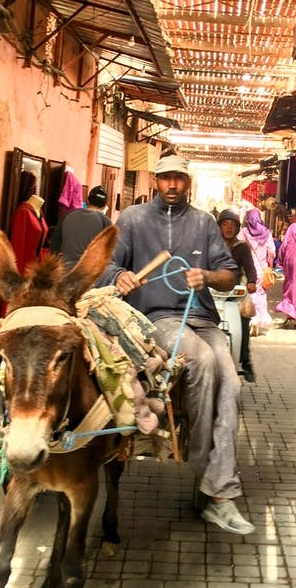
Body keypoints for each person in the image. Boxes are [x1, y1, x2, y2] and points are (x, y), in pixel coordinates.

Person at [98, 154, 255, 535]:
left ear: (188, 183)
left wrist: (208, 277)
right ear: (156, 180)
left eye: (179, 179)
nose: (172, 185)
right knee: (200, 359)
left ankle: (216, 487)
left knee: (231, 384)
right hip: (157, 317)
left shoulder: (203, 223)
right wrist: (119, 277)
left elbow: (229, 273)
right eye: (166, 178)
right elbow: (105, 265)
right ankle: (206, 470)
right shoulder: (133, 219)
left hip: (202, 317)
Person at [217, 208, 257, 383]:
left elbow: (250, 268)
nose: (228, 228)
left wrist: (251, 282)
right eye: (225, 224)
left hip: (234, 292)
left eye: (232, 225)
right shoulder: (212, 245)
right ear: (219, 226)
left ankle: (246, 361)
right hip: (212, 290)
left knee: (243, 321)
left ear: (237, 228)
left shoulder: (242, 247)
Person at [49, 184, 110, 267]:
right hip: (88, 272)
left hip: (65, 270)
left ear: (88, 200)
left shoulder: (68, 215)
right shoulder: (105, 222)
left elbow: (54, 247)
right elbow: (110, 256)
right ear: (104, 206)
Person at [239, 207, 276, 332]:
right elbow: (272, 251)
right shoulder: (266, 233)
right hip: (262, 267)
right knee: (260, 292)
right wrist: (269, 264)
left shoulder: (244, 232)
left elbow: (238, 246)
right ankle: (259, 318)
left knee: (250, 291)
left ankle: (253, 317)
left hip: (248, 267)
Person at [9, 170, 48, 276]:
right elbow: (17, 246)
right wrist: (17, 274)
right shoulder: (23, 212)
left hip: (37, 269)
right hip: (25, 270)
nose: (36, 189)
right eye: (34, 186)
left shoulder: (39, 211)